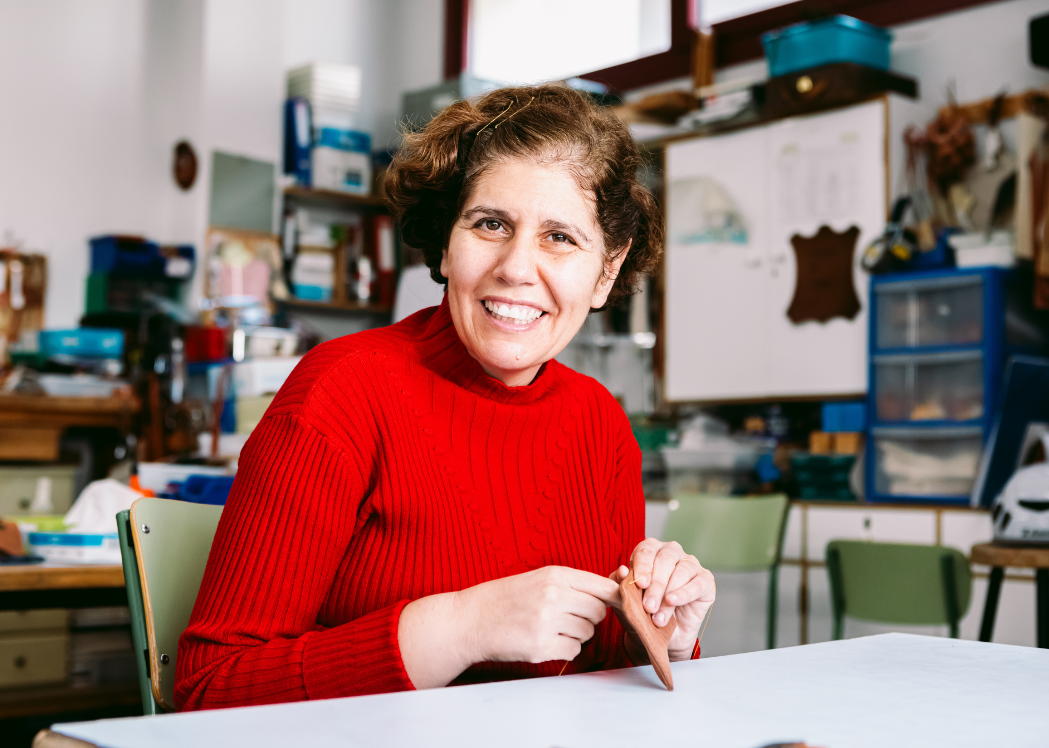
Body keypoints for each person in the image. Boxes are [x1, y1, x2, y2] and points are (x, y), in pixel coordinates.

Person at [176, 84, 716, 710]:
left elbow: (600, 678)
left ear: (607, 271)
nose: (516, 268)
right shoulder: (342, 392)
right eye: (490, 224)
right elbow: (205, 693)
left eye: (560, 238)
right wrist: (461, 627)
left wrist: (664, 640)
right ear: (444, 242)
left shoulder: (600, 423)